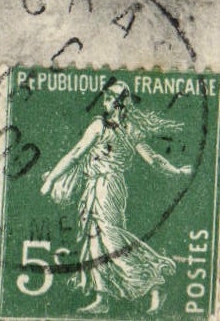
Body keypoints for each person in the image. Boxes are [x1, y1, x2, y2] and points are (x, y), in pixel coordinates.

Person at [40, 81, 193, 313]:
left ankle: (154, 281)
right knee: (94, 240)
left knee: (110, 239)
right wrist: (176, 170)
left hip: (107, 186)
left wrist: (51, 179)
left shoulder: (106, 127)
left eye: (109, 98)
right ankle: (102, 298)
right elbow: (153, 159)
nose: (104, 102)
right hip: (99, 186)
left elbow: (75, 154)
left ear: (118, 103)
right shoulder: (119, 128)